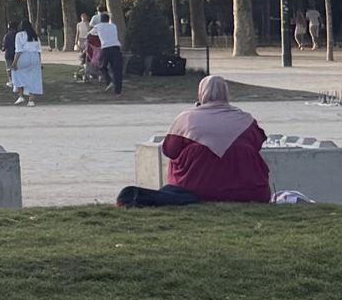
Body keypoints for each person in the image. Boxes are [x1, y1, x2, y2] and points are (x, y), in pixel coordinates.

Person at [116, 75, 271, 207]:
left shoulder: (187, 118)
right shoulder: (246, 119)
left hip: (198, 188)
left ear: (200, 93)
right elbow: (256, 144)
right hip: (250, 190)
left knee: (190, 153)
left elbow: (169, 150)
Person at [91, 8, 125, 97]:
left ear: (101, 20)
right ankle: (118, 92)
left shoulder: (98, 26)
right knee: (117, 71)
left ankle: (109, 81)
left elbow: (90, 34)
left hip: (106, 48)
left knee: (102, 66)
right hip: (116, 48)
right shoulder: (113, 26)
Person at [10, 20, 45, 106]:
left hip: (24, 56)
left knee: (17, 73)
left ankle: (21, 95)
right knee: (34, 78)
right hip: (35, 57)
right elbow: (39, 50)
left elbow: (18, 50)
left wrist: (14, 63)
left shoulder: (19, 35)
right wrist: (39, 63)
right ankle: (31, 100)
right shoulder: (35, 36)